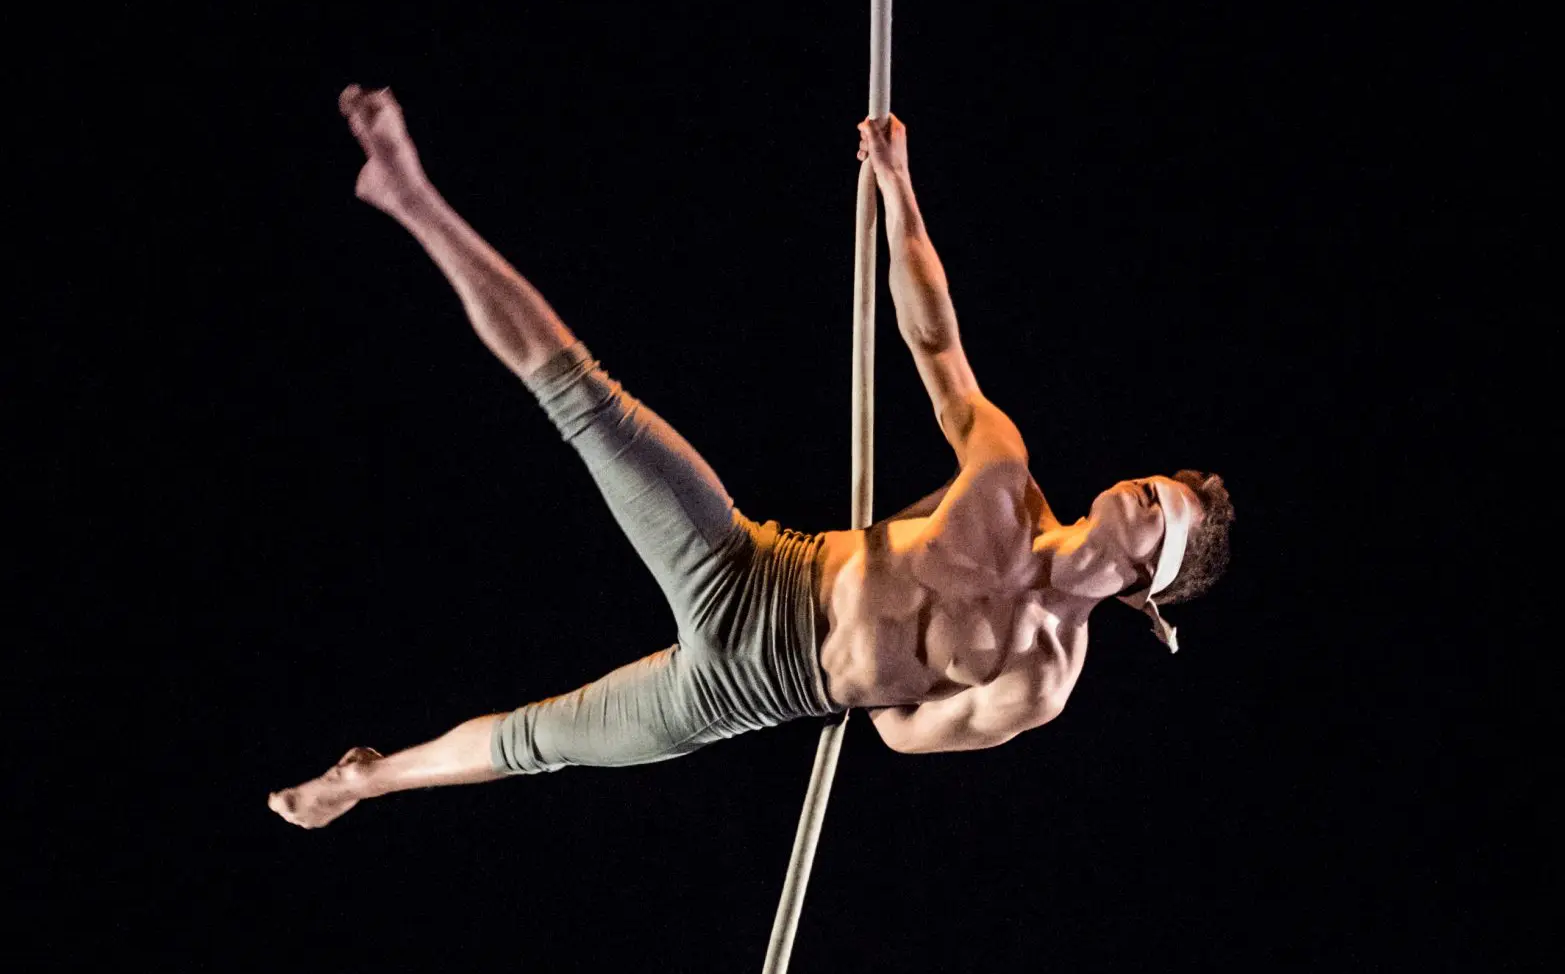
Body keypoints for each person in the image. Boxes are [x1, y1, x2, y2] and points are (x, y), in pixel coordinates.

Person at [269, 87, 1234, 827]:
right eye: (1151, 484)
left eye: (1156, 509)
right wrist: (898, 189)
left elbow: (903, 735)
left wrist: (879, 657)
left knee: (540, 740)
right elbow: (936, 342)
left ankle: (365, 780)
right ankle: (408, 192)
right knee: (582, 395)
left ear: (1146, 580)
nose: (1138, 490)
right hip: (750, 565)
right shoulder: (1002, 476)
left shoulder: (1040, 679)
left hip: (742, 691)